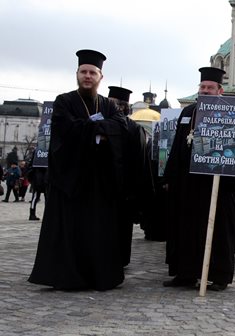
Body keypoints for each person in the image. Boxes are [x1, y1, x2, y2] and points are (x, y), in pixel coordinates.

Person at [29, 49, 128, 291]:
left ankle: (98, 276)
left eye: (92, 73)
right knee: (70, 233)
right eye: (83, 72)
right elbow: (66, 130)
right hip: (70, 180)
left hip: (99, 182)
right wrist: (98, 131)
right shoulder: (64, 101)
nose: (87, 76)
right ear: (77, 74)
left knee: (97, 233)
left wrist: (92, 128)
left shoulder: (107, 104)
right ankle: (68, 277)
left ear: (100, 77)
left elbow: (120, 127)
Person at [163, 67, 235, 291]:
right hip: (188, 183)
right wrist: (170, 176)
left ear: (220, 90)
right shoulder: (188, 112)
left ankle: (218, 275)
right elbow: (177, 146)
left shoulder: (229, 112)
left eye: (210, 87)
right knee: (185, 228)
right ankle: (185, 274)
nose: (205, 90)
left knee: (217, 230)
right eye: (202, 87)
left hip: (217, 183)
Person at [108, 85, 153, 267]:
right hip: (103, 186)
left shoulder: (134, 129)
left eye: (113, 104)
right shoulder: (97, 123)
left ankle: (119, 259)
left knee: (121, 228)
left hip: (124, 188)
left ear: (122, 107)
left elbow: (139, 161)